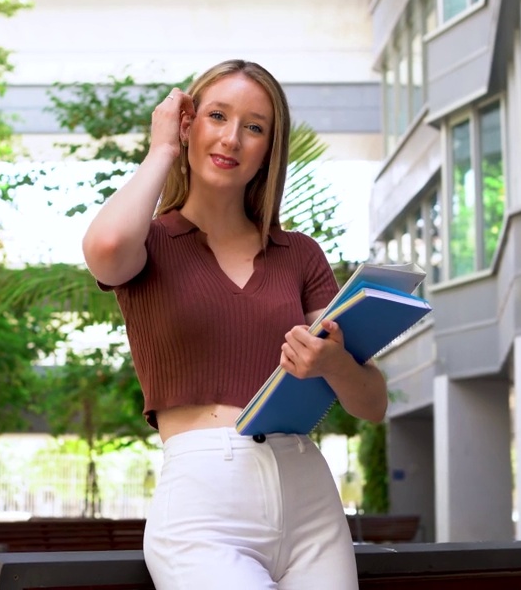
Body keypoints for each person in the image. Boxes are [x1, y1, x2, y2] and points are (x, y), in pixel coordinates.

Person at [82, 59, 388, 589]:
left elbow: (373, 404)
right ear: (187, 124)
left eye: (254, 127)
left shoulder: (299, 254)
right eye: (217, 116)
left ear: (269, 148)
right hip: (204, 502)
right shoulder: (147, 244)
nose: (231, 138)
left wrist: (334, 362)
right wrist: (161, 150)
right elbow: (105, 250)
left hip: (309, 497)